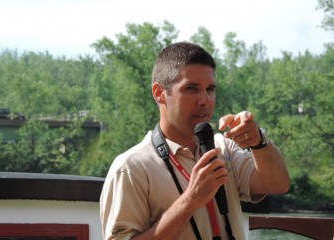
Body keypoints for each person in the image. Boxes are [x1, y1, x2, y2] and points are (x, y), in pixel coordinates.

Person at [100, 42, 290, 240]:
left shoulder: (224, 148)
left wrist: (258, 141)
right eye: (192, 88)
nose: (205, 100)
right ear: (159, 93)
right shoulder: (131, 167)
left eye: (210, 89)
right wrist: (190, 200)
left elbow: (278, 185)